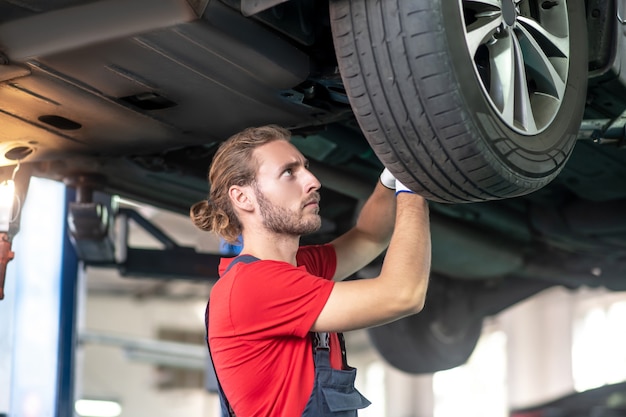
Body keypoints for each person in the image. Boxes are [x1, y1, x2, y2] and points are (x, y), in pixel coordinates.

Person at [190, 125, 431, 417]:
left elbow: (369, 235)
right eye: (289, 173)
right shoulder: (253, 287)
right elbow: (403, 295)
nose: (313, 181)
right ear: (243, 198)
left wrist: (391, 177)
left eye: (306, 167)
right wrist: (414, 185)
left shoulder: (298, 270)